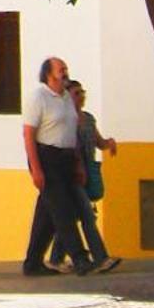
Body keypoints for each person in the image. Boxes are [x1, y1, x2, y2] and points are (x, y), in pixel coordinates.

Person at [22, 56, 96, 276]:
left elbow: (71, 132)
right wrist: (36, 168)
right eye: (61, 69)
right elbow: (28, 134)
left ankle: (33, 262)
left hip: (65, 158)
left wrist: (78, 164)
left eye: (65, 68)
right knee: (63, 209)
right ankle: (80, 258)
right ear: (49, 73)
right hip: (46, 156)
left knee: (47, 212)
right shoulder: (39, 97)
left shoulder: (65, 98)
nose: (65, 72)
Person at [49, 81, 121, 274]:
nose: (81, 96)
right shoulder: (64, 121)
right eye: (76, 93)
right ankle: (101, 257)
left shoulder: (88, 119)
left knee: (72, 217)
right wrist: (77, 165)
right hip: (72, 174)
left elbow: (97, 141)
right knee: (88, 216)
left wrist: (108, 144)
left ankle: (56, 258)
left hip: (87, 172)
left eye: (82, 92)